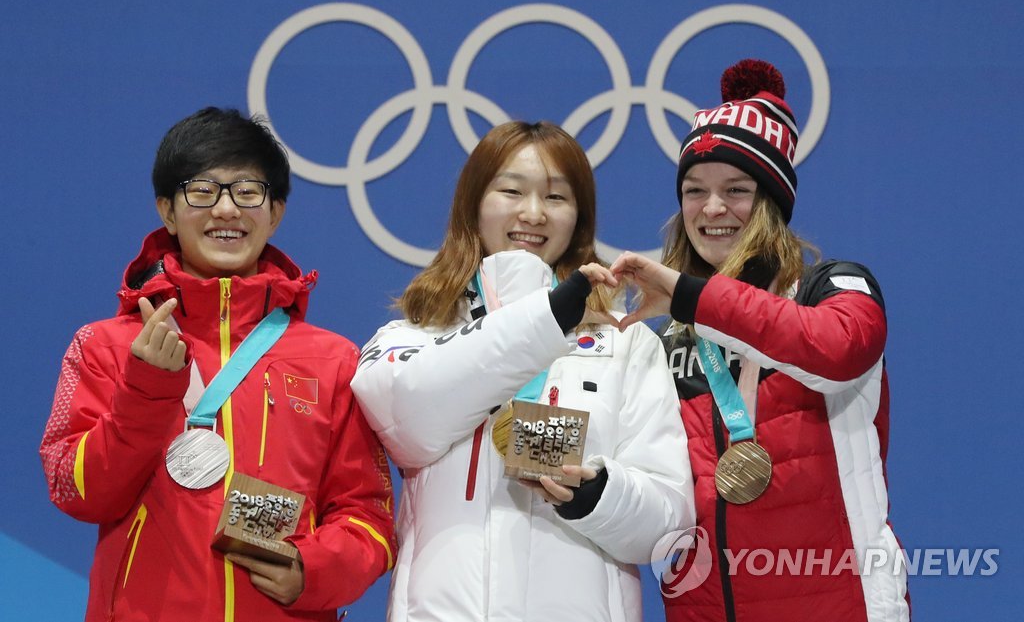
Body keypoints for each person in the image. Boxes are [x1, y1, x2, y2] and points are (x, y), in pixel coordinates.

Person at [40, 107, 396, 622]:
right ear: (166, 210)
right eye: (202, 191)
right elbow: (75, 491)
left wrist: (312, 569)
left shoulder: (333, 360)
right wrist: (144, 392)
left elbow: (369, 515)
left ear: (275, 212)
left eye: (247, 191)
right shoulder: (104, 346)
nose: (226, 210)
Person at [351, 120, 694, 621]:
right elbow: (413, 428)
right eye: (511, 190)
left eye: (556, 198)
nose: (532, 213)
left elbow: (671, 520)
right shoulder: (411, 336)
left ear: (579, 217)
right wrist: (546, 317)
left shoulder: (627, 343)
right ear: (473, 204)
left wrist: (596, 494)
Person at [609, 60, 910, 621]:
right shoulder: (673, 338)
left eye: (737, 189)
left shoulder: (834, 288)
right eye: (694, 191)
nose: (712, 208)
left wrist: (691, 297)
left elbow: (837, 351)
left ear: (772, 201)